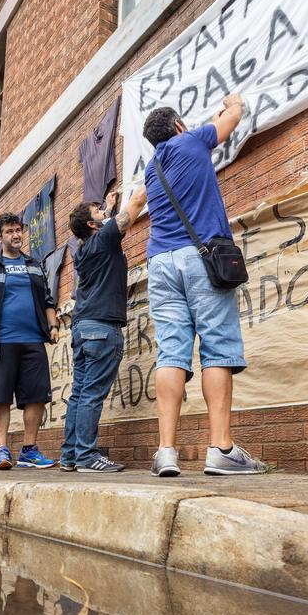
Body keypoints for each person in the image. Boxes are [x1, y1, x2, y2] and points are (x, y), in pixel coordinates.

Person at [142, 99, 266, 478]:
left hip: (160, 263)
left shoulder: (151, 169)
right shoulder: (193, 140)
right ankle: (221, 449)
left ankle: (165, 451)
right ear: (179, 125)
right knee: (217, 347)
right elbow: (231, 119)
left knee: (171, 353)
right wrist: (234, 103)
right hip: (200, 259)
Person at [61, 187, 148, 473]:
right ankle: (87, 456)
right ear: (92, 225)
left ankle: (71, 456)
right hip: (101, 328)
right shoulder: (105, 239)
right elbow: (136, 203)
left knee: (79, 392)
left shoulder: (85, 248)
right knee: (91, 394)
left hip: (82, 328)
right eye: (98, 213)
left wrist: (106, 210)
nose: (104, 214)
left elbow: (107, 224)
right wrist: (161, 156)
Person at [0, 214, 60, 470]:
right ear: (0, 238)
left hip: (32, 340)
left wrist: (53, 325)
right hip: (0, 342)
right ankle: (1, 450)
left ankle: (29, 451)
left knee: (37, 396)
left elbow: (47, 299)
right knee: (0, 397)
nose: (16, 235)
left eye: (18, 230)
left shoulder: (34, 264)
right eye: (9, 232)